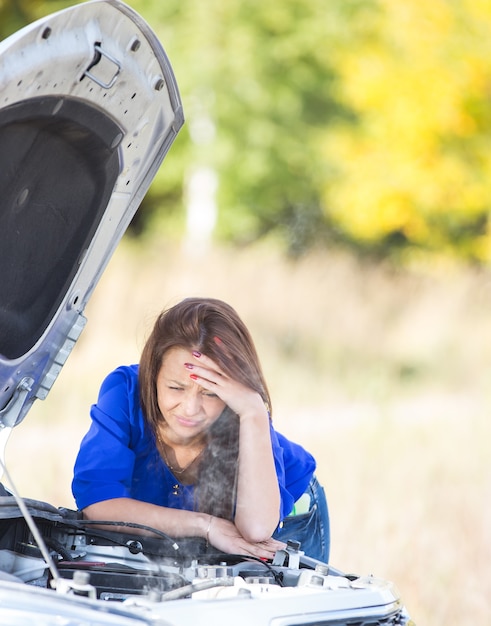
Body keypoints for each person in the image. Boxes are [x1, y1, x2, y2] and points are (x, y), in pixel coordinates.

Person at [72, 297, 330, 562]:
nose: (190, 408)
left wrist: (253, 413)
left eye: (210, 393)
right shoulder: (125, 393)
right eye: (176, 388)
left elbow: (256, 530)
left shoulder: (246, 410)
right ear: (153, 374)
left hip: (287, 512)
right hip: (204, 525)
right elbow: (98, 505)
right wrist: (204, 525)